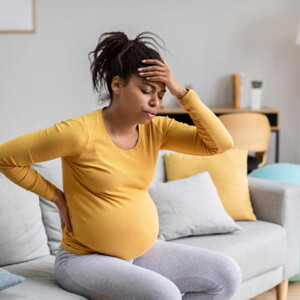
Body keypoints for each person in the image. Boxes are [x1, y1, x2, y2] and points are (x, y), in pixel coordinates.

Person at [0, 31, 242, 300]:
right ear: (117, 85)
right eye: (146, 91)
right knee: (163, 294)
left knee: (226, 273)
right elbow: (5, 157)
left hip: (141, 253)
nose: (156, 102)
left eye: (161, 94)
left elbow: (220, 144)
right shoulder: (78, 133)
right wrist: (57, 197)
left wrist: (182, 92)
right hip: (84, 260)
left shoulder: (156, 130)